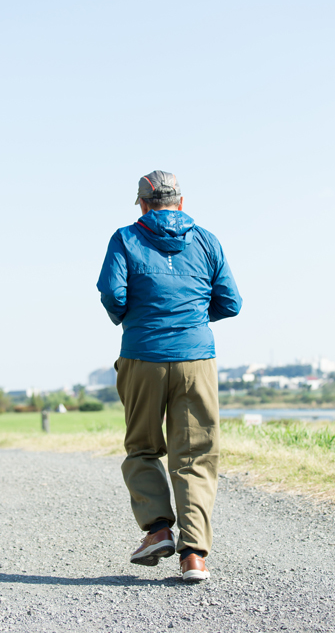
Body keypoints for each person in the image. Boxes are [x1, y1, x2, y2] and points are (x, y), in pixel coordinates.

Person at [97, 171, 242, 581]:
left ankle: (158, 529)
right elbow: (231, 302)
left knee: (143, 446)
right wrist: (192, 318)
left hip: (142, 356)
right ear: (180, 202)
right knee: (195, 453)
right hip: (197, 360)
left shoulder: (125, 238)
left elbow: (112, 294)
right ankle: (193, 555)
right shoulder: (206, 239)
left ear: (142, 203)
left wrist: (135, 319)